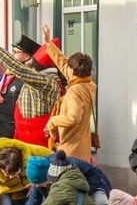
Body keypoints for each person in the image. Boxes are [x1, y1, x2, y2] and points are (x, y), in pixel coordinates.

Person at [0, 32, 62, 147]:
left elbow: (21, 70)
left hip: (36, 140)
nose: (29, 66)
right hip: (24, 136)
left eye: (32, 63)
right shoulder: (41, 79)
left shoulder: (46, 82)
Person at [36, 24, 95, 160]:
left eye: (69, 68)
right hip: (81, 148)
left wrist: (52, 121)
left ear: (73, 71)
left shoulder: (75, 91)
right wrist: (48, 44)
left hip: (71, 150)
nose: (66, 69)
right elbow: (63, 63)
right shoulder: (85, 83)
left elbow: (73, 118)